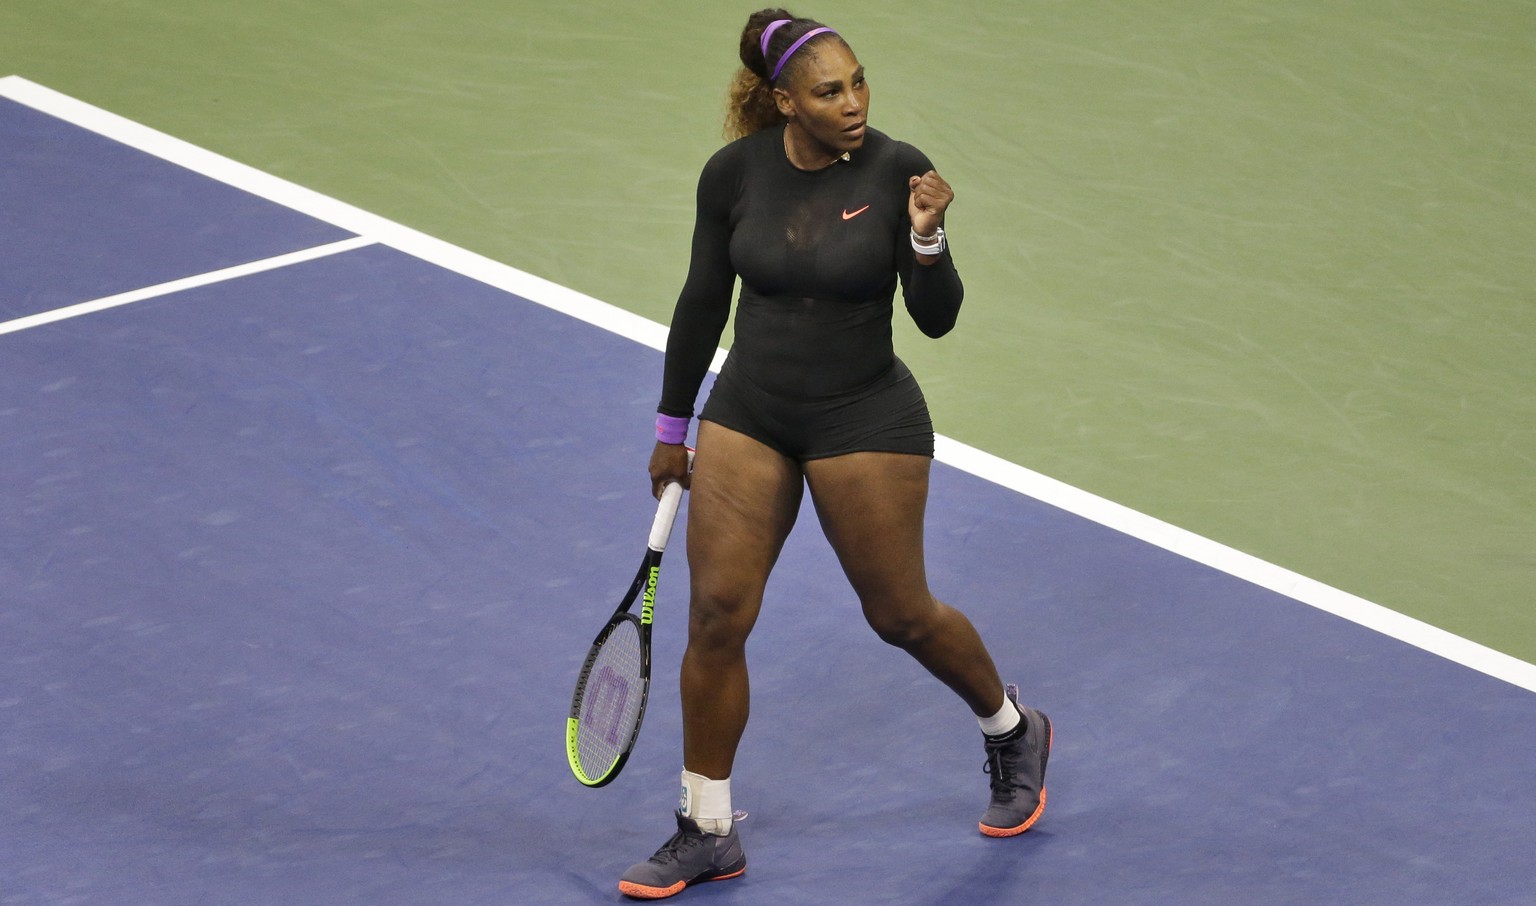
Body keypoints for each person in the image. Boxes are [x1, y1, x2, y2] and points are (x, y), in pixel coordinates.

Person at [618, 9, 1052, 900]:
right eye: (829, 91)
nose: (853, 103)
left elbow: (936, 318)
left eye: (859, 83)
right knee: (717, 618)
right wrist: (672, 429)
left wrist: (927, 237)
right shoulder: (733, 174)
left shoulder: (897, 170)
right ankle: (705, 826)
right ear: (785, 102)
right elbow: (703, 299)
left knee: (899, 614)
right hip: (751, 411)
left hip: (864, 416)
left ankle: (1010, 728)